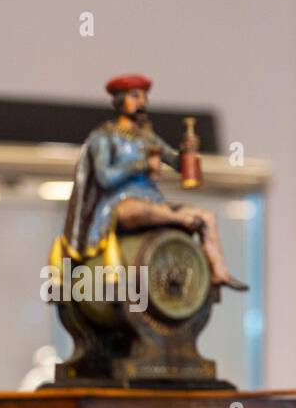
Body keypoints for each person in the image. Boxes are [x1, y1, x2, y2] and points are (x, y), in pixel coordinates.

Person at [49, 74, 247, 291]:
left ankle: (219, 273)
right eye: (135, 96)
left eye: (144, 97)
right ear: (119, 100)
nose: (142, 102)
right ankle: (180, 220)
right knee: (162, 214)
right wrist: (142, 164)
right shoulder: (104, 137)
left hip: (152, 201)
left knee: (206, 217)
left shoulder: (147, 137)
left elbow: (176, 163)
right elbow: (105, 177)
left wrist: (187, 152)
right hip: (119, 205)